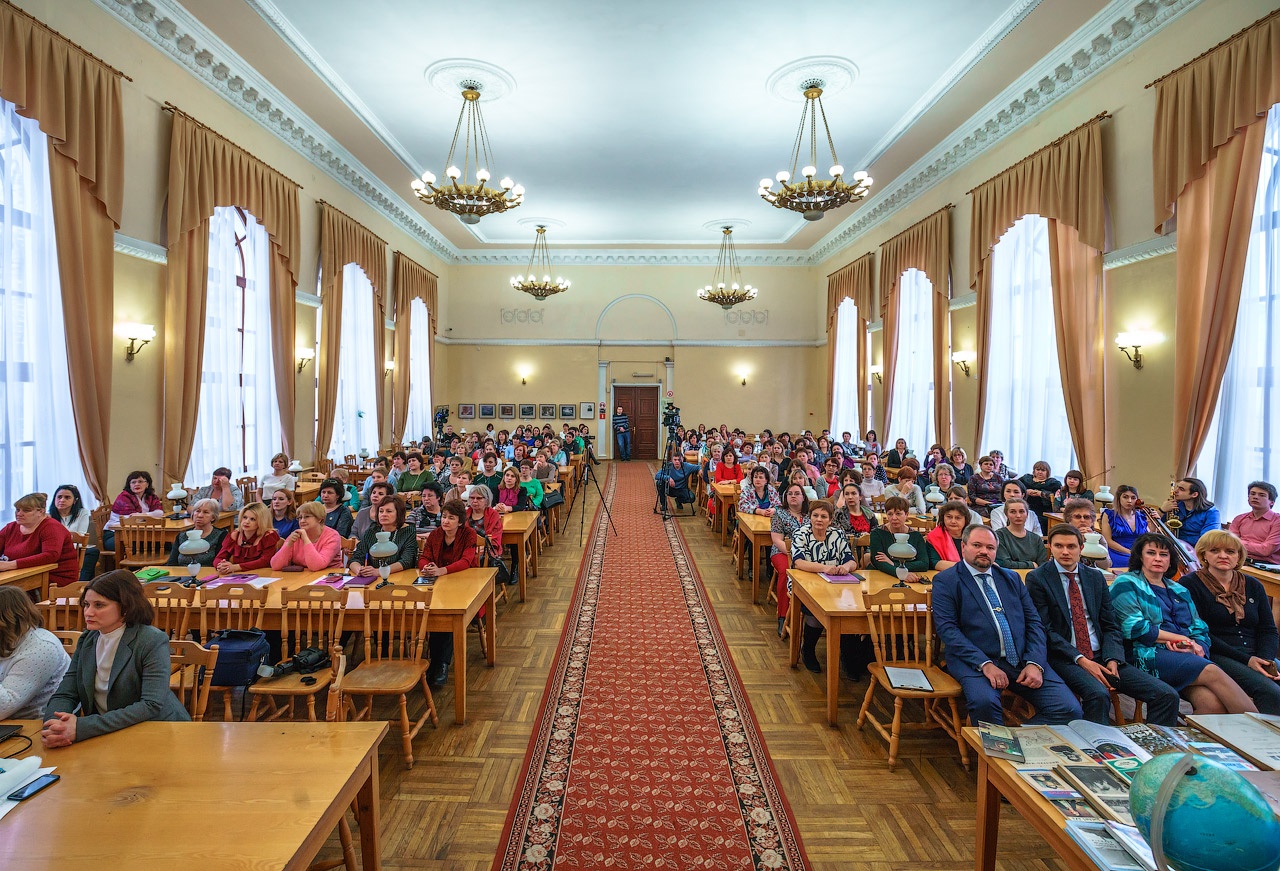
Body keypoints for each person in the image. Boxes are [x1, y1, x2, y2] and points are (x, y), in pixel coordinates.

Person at [1025, 525, 1181, 726]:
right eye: (1059, 546)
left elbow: (1110, 624)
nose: (1065, 552)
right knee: (1098, 694)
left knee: (1166, 695)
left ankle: (1157, 750)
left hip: (1102, 655)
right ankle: (1099, 750)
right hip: (1066, 657)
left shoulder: (1094, 576)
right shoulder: (1038, 578)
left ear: (1081, 548)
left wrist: (1113, 658)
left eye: (1071, 546)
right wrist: (1081, 659)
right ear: (1051, 548)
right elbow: (1045, 630)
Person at [932, 525, 1082, 725]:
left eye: (990, 547)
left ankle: (1017, 742)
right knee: (984, 704)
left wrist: (1035, 663)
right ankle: (1000, 747)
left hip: (1021, 659)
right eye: (977, 545)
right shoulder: (947, 580)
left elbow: (1034, 623)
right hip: (975, 660)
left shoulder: (1011, 578)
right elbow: (947, 630)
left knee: (1069, 709)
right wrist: (984, 664)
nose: (984, 551)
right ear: (964, 547)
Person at [42, 569, 191, 746]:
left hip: (155, 732)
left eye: (99, 605)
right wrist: (55, 726)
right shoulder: (88, 639)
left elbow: (151, 705)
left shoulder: (151, 640)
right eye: (86, 604)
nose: (88, 612)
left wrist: (82, 727)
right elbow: (66, 693)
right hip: (107, 732)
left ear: (126, 607)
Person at [1111, 533, 1255, 714]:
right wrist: (1183, 639)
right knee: (1212, 671)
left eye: (1164, 554)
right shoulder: (1126, 582)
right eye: (1151, 553)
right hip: (1143, 654)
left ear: (1171, 559)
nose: (1157, 558)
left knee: (1211, 704)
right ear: (1140, 556)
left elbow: (1200, 628)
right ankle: (1260, 734)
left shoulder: (1179, 589)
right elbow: (1135, 628)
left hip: (1184, 656)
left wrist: (1196, 647)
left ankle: (1188, 742)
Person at [1182, 530, 1280, 715]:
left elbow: (1268, 629)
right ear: (1204, 555)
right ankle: (1260, 741)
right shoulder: (1190, 584)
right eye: (1215, 550)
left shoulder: (1253, 585)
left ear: (1239, 557)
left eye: (1230, 551)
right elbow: (1200, 633)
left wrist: (1265, 659)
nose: (1223, 556)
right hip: (1217, 653)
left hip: (1255, 653)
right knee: (1271, 692)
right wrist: (1248, 661)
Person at [791, 500, 857, 673]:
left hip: (836, 583)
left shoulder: (837, 534)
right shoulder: (801, 533)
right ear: (809, 517)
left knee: (851, 608)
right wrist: (825, 568)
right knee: (814, 610)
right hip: (806, 581)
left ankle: (847, 655)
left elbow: (851, 560)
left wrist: (846, 567)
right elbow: (798, 562)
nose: (819, 519)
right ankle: (808, 650)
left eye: (823, 516)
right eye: (815, 515)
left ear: (830, 519)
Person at [418, 499, 478, 686]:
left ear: (460, 521)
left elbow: (467, 561)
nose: (446, 521)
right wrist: (427, 566)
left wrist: (442, 570)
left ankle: (441, 664)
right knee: (435, 613)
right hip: (439, 584)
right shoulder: (436, 535)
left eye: (451, 518)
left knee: (448, 615)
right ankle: (435, 664)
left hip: (465, 584)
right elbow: (424, 557)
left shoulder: (469, 534)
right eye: (444, 517)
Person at [0, 586, 70, 719]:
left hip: (35, 725)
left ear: (5, 621)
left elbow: (3, 708)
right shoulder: (6, 639)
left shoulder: (41, 647)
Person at [0, 493, 79, 588]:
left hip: (53, 579)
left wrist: (10, 565)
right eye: (17, 510)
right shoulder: (11, 527)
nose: (19, 514)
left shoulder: (51, 527)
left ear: (41, 512)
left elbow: (50, 555)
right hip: (19, 574)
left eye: (26, 510)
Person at [770, 483, 809, 636]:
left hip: (807, 554)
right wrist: (794, 553)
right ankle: (783, 615)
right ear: (785, 497)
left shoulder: (811, 514)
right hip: (783, 552)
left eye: (797, 493)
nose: (793, 496)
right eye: (790, 493)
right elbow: (776, 539)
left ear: (803, 497)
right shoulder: (779, 514)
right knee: (787, 572)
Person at [349, 496, 418, 578]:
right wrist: (359, 570)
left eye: (389, 511)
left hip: (399, 577)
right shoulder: (372, 530)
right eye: (381, 511)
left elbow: (407, 561)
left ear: (399, 513)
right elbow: (355, 558)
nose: (384, 514)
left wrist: (379, 572)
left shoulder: (408, 531)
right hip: (371, 577)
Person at [271, 501, 343, 571]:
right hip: (302, 577)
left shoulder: (332, 536)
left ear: (319, 519)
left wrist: (306, 540)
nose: (302, 521)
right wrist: (289, 544)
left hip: (329, 577)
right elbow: (275, 566)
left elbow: (316, 566)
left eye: (307, 517)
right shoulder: (296, 535)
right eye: (299, 518)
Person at [212, 503, 280, 575]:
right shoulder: (235, 535)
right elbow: (218, 558)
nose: (246, 522)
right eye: (244, 517)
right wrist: (221, 566)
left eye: (252, 519)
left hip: (263, 575)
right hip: (238, 577)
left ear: (262, 521)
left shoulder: (269, 536)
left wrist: (236, 567)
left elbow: (265, 561)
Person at [164, 499, 227, 569]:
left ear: (213, 517)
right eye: (197, 511)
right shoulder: (182, 536)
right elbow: (171, 563)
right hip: (181, 575)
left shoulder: (221, 536)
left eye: (206, 512)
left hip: (208, 575)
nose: (200, 515)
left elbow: (219, 564)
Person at [1229, 481, 1280, 564]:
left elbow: (1266, 550)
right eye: (1252, 494)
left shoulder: (1277, 521)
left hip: (1266, 565)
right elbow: (1228, 543)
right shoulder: (1239, 518)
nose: (1255, 497)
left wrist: (1238, 543)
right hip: (1238, 561)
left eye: (1262, 495)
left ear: (1272, 502)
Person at [1160, 477, 1220, 546]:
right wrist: (1162, 510)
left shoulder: (1211, 512)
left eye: (1181, 489)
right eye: (1177, 487)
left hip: (1195, 551)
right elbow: (1153, 526)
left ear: (1194, 494)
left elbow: (1207, 540)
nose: (1175, 491)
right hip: (1173, 547)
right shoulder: (1175, 506)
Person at [1101, 485, 1149, 568]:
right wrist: (1129, 552)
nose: (1129, 501)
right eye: (1125, 497)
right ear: (1119, 498)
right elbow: (1108, 540)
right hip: (1117, 551)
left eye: (1133, 498)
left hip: (1138, 552)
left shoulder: (1141, 516)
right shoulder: (1109, 514)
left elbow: (1149, 538)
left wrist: (1153, 521)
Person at [995, 498, 1048, 569]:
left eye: (1021, 511)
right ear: (1006, 514)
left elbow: (1042, 564)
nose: (1018, 516)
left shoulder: (1036, 538)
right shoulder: (999, 535)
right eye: (1013, 512)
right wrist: (1031, 565)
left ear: (1027, 514)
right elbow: (1004, 563)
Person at [465, 486, 507, 575]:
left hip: (487, 549)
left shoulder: (493, 514)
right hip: (468, 548)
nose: (475, 501)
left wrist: (482, 547)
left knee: (477, 558)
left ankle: (478, 582)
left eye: (479, 498)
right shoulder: (465, 514)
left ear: (487, 500)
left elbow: (495, 537)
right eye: (472, 498)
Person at [1062, 499, 1112, 570]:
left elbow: (1105, 565)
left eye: (1086, 517)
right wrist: (1079, 541)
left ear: (1092, 522)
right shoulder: (1062, 537)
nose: (1082, 520)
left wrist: (1092, 543)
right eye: (1077, 517)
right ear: (1069, 520)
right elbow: (1066, 564)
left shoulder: (1098, 538)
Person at [925, 501, 971, 569]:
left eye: (958, 518)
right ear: (943, 518)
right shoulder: (934, 536)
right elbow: (933, 562)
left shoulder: (973, 537)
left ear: (965, 520)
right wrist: (964, 568)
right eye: (949, 517)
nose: (953, 521)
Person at [656, 446, 700, 514]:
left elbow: (698, 467)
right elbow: (657, 475)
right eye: (675, 459)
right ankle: (664, 505)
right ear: (672, 460)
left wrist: (700, 470)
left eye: (679, 459)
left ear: (682, 459)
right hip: (670, 488)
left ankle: (679, 500)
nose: (677, 461)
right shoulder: (668, 466)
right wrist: (668, 478)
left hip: (682, 489)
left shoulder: (687, 466)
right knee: (659, 483)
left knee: (691, 498)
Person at [1019, 461, 1062, 529]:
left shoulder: (1053, 483)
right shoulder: (1026, 479)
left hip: (1044, 511)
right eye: (1037, 469)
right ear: (1034, 470)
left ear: (1047, 472)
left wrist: (1041, 494)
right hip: (1025, 507)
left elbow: (1058, 497)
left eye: (1043, 470)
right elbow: (1016, 487)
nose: (1040, 472)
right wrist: (1025, 491)